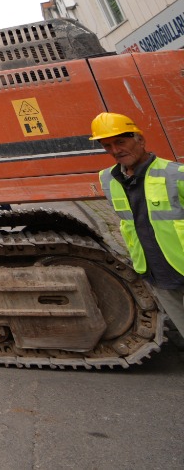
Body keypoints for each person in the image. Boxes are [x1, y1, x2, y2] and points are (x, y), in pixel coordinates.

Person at [90, 112, 184, 341]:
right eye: (108, 146)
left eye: (121, 142)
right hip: (156, 272)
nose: (115, 150)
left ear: (140, 139)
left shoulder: (175, 174)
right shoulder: (109, 180)